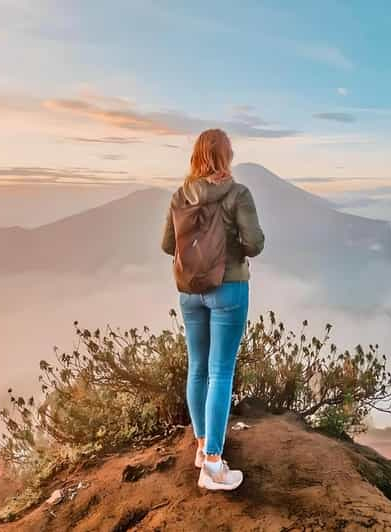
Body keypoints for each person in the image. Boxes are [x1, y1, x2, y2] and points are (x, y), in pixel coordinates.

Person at [161, 128, 264, 490]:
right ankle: (214, 466)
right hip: (229, 288)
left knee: (198, 368)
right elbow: (254, 244)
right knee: (221, 372)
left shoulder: (180, 195)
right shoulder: (238, 194)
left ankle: (202, 447)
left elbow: (166, 244)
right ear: (226, 156)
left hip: (189, 292)